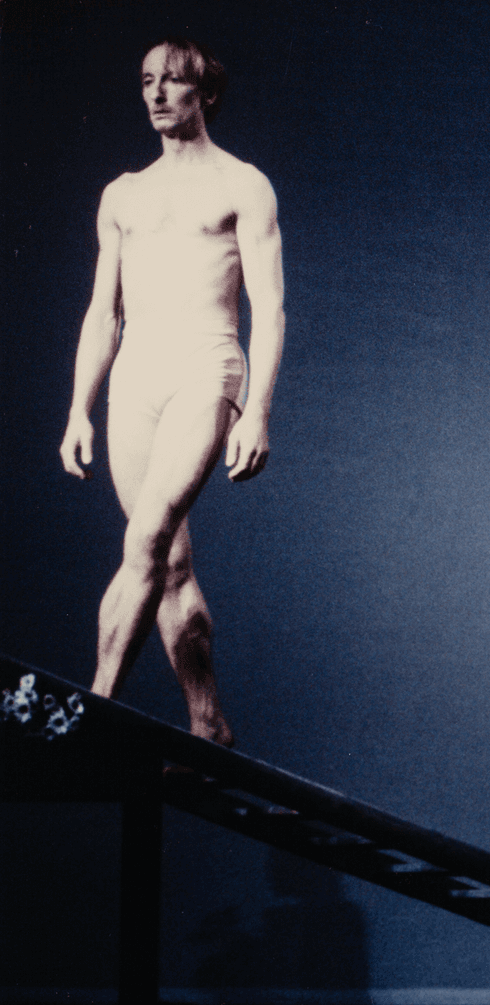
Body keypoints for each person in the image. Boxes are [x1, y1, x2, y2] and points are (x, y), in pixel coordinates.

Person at [58, 36, 284, 745]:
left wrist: (257, 411)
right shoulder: (123, 194)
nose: (156, 94)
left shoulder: (241, 184)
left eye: (173, 82)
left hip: (205, 370)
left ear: (205, 94)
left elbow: (270, 307)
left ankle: (91, 712)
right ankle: (208, 720)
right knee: (169, 563)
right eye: (147, 81)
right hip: (136, 379)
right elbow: (104, 311)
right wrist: (78, 408)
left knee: (146, 535)